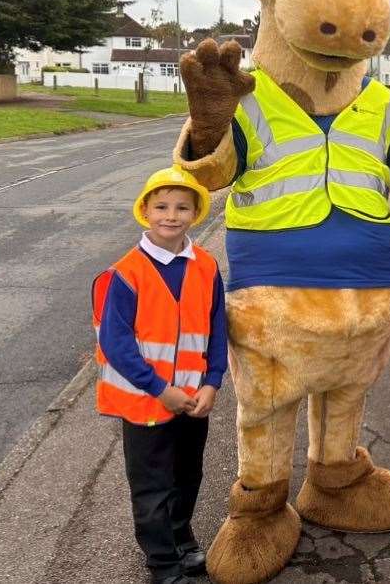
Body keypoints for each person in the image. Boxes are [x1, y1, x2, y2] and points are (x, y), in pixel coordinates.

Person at [91, 167, 227, 584]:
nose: (172, 215)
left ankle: (181, 539)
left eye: (183, 207)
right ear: (145, 211)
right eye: (162, 206)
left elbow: (217, 327)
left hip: (192, 400)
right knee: (152, 488)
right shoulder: (124, 275)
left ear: (196, 213)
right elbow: (117, 346)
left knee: (188, 475)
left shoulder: (205, 266)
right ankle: (163, 565)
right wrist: (159, 388)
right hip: (146, 403)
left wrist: (213, 380)